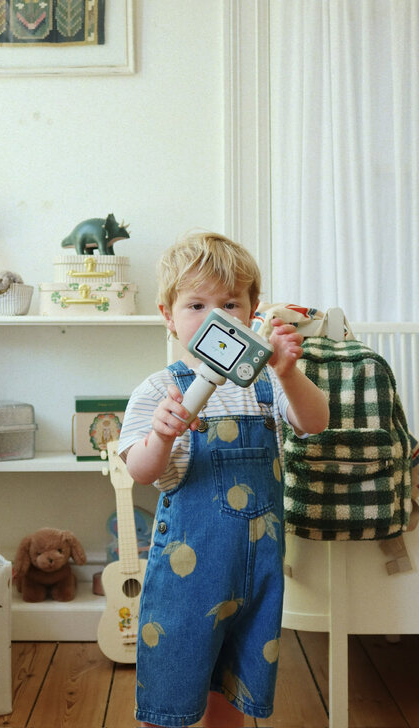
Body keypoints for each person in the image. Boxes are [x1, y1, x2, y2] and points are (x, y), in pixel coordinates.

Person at [118, 232, 329, 728]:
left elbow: (316, 421)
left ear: (253, 312)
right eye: (196, 305)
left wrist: (289, 372)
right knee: (170, 690)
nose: (216, 317)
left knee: (231, 690)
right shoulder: (158, 390)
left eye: (230, 304)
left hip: (255, 575)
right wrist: (161, 436)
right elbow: (141, 471)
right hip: (188, 575)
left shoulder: (266, 383)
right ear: (168, 315)